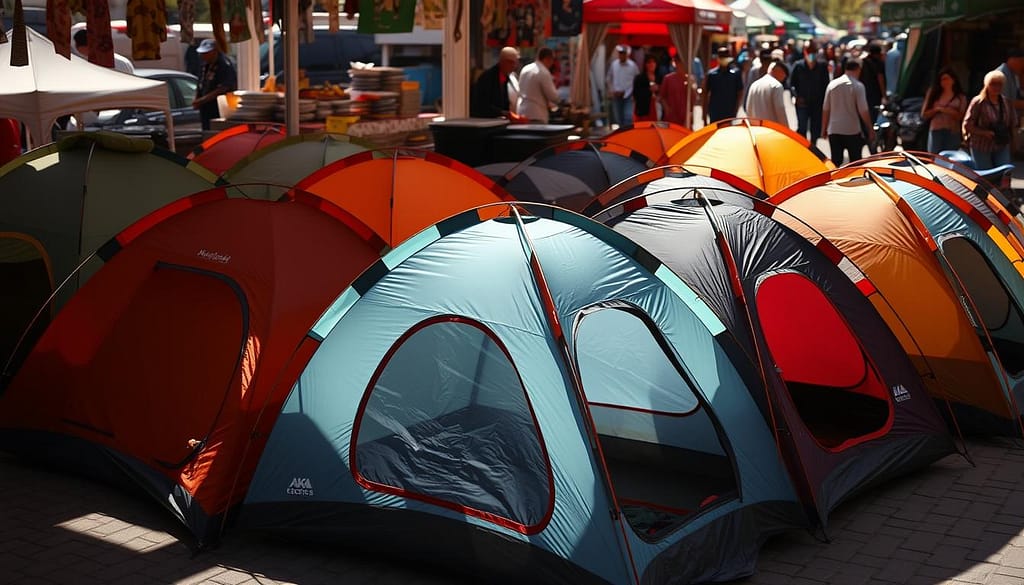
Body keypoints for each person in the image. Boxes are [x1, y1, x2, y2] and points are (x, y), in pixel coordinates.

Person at [822, 59, 874, 166]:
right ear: (858, 69)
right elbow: (863, 110)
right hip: (852, 130)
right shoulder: (858, 86)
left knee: (836, 161)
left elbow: (826, 109)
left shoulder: (832, 85)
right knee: (855, 163)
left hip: (834, 129)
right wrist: (870, 128)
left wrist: (824, 128)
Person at [963, 70, 1018, 169]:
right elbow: (967, 124)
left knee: (1004, 173)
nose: (996, 87)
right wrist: (984, 133)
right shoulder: (978, 102)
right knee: (986, 176)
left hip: (1001, 144)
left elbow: (1012, 123)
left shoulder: (1006, 102)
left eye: (999, 84)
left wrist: (1013, 143)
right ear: (987, 85)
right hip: (981, 145)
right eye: (993, 84)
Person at [192, 39, 238, 131]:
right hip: (205, 108)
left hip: (219, 108)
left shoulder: (224, 65)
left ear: (214, 51)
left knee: (216, 133)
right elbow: (200, 83)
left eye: (206, 53)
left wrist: (202, 100)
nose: (203, 56)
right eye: (202, 53)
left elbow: (224, 87)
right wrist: (197, 98)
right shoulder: (204, 65)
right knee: (206, 132)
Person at [789, 40, 830, 143]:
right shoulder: (798, 66)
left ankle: (813, 148)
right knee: (802, 127)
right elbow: (792, 84)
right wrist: (796, 97)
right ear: (804, 52)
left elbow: (826, 85)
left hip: (817, 103)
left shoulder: (822, 66)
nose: (811, 54)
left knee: (815, 128)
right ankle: (803, 148)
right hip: (802, 103)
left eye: (813, 51)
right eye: (808, 51)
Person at [921, 67, 967, 153]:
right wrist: (937, 110)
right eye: (942, 79)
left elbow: (962, 116)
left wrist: (947, 111)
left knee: (950, 158)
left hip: (952, 131)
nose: (944, 82)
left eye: (946, 79)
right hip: (936, 129)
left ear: (953, 80)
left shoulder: (960, 97)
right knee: (934, 157)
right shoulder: (933, 94)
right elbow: (924, 114)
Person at [471, 46, 521, 119]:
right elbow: (482, 104)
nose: (514, 66)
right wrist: (503, 113)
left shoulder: (506, 77)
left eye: (515, 63)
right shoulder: (488, 77)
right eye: (511, 62)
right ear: (502, 61)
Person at [516, 47, 560, 123]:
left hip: (521, 112)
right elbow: (553, 96)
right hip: (536, 114)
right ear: (547, 58)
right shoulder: (543, 72)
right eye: (552, 60)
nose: (552, 63)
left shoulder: (525, 69)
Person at [702, 46, 743, 125]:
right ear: (718, 58)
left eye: (725, 56)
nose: (724, 59)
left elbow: (740, 93)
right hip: (715, 114)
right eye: (722, 56)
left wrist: (735, 110)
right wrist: (704, 117)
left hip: (729, 114)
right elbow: (705, 95)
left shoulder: (735, 74)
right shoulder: (712, 75)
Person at [746, 60, 790, 127]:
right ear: (781, 72)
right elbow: (780, 110)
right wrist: (786, 129)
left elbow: (748, 109)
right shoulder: (777, 86)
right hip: (772, 130)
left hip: (756, 129)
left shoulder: (754, 85)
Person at [607, 45, 640, 129]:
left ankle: (627, 134)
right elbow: (609, 78)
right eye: (620, 53)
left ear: (627, 54)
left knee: (628, 117)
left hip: (628, 95)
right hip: (616, 95)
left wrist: (633, 93)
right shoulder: (614, 64)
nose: (622, 55)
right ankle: (621, 133)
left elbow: (637, 80)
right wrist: (612, 90)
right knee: (618, 117)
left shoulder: (633, 66)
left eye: (623, 53)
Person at [659, 52, 692, 127]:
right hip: (671, 117)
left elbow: (694, 99)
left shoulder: (689, 79)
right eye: (678, 62)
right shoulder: (668, 78)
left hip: (685, 117)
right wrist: (667, 109)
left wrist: (690, 85)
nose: (681, 65)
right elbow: (662, 97)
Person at [633, 55, 662, 122]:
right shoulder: (640, 78)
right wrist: (649, 90)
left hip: (657, 107)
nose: (652, 64)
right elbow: (636, 93)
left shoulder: (660, 77)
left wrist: (658, 88)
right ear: (645, 64)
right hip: (644, 108)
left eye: (654, 62)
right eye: (649, 62)